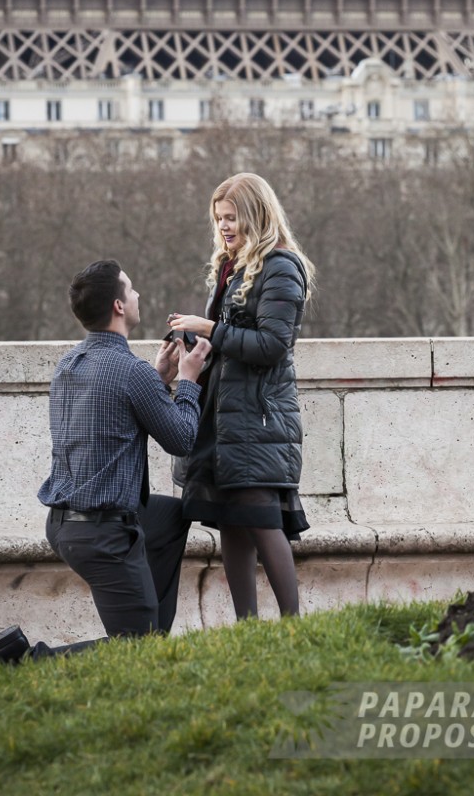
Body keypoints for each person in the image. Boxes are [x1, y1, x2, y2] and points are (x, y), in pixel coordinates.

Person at [0, 258, 210, 682]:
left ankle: (148, 625)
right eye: (132, 289)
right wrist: (189, 380)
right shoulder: (130, 371)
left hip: (66, 524)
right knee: (135, 650)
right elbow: (181, 439)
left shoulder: (70, 365)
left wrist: (159, 379)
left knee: (173, 517)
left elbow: (113, 416)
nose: (138, 296)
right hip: (103, 533)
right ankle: (20, 661)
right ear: (119, 307)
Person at [167, 172, 314, 620]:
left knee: (262, 518)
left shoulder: (280, 266)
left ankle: (293, 625)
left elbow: (272, 346)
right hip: (225, 417)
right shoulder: (234, 266)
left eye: (232, 217)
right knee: (228, 518)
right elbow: (235, 343)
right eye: (219, 219)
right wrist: (195, 347)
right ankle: (247, 628)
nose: (225, 227)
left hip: (258, 419)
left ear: (256, 214)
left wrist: (209, 328)